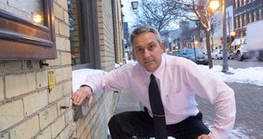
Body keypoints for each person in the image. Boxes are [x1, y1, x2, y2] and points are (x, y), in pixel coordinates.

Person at [72, 25, 236, 139]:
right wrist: (87, 87)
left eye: (151, 47)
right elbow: (104, 78)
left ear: (161, 46)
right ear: (134, 53)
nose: (146, 55)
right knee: (118, 123)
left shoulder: (183, 68)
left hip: (186, 122)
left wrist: (217, 135)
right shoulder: (131, 72)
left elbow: (224, 94)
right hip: (152, 120)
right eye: (140, 50)